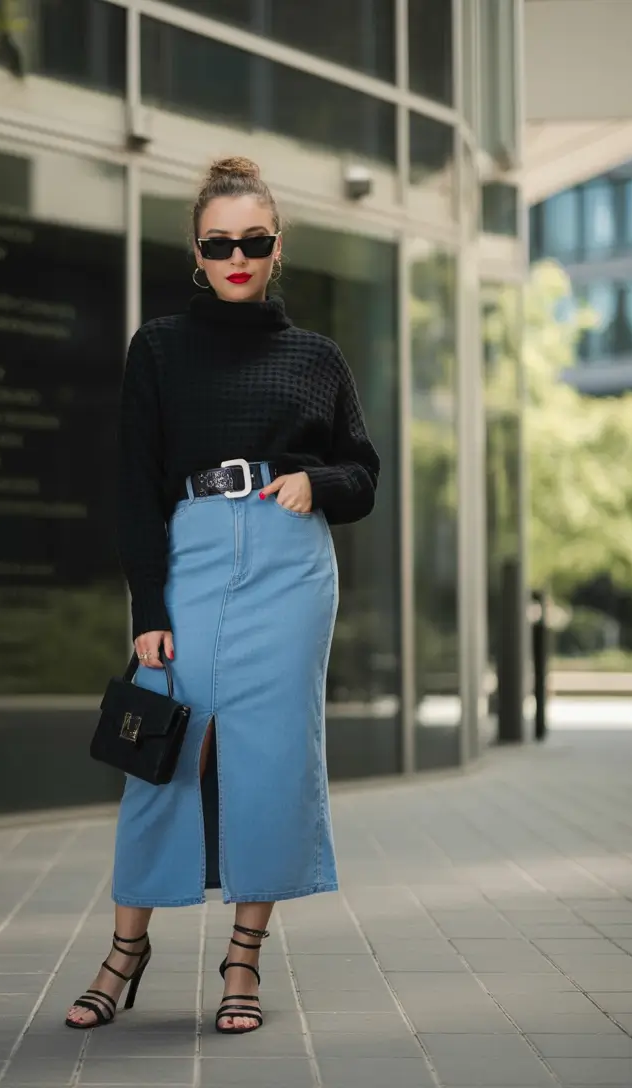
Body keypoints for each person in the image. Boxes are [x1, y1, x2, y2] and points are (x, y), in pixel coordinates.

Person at [66, 156, 379, 1036]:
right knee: (164, 752)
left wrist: (315, 482)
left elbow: (365, 472)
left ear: (278, 250)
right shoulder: (159, 347)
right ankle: (126, 949)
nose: (237, 255)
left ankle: (242, 961)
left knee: (273, 759)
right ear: (195, 252)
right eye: (219, 243)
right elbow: (135, 488)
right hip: (193, 556)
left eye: (255, 241)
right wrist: (149, 615)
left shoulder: (317, 357)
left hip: (290, 568)